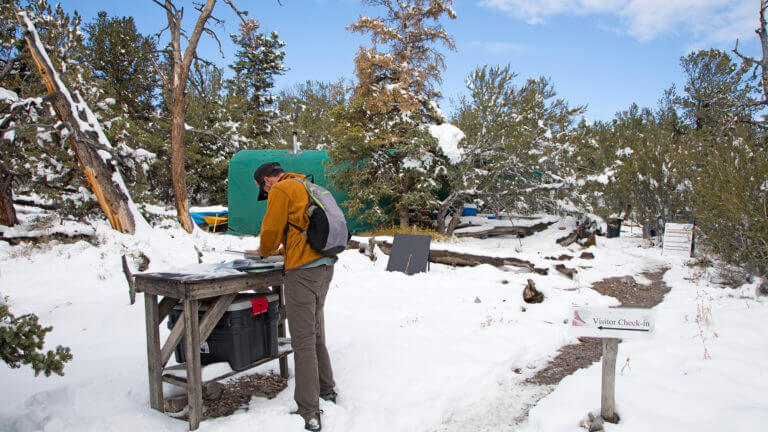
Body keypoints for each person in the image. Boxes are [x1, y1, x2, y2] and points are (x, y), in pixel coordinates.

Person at [254, 162, 338, 432]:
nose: (267, 194)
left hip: (302, 272)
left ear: (268, 181)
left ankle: (308, 411)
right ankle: (327, 391)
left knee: (302, 341)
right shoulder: (310, 186)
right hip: (325, 266)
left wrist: (264, 251)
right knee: (316, 334)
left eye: (264, 190)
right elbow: (302, 227)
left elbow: (270, 231)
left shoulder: (282, 190)